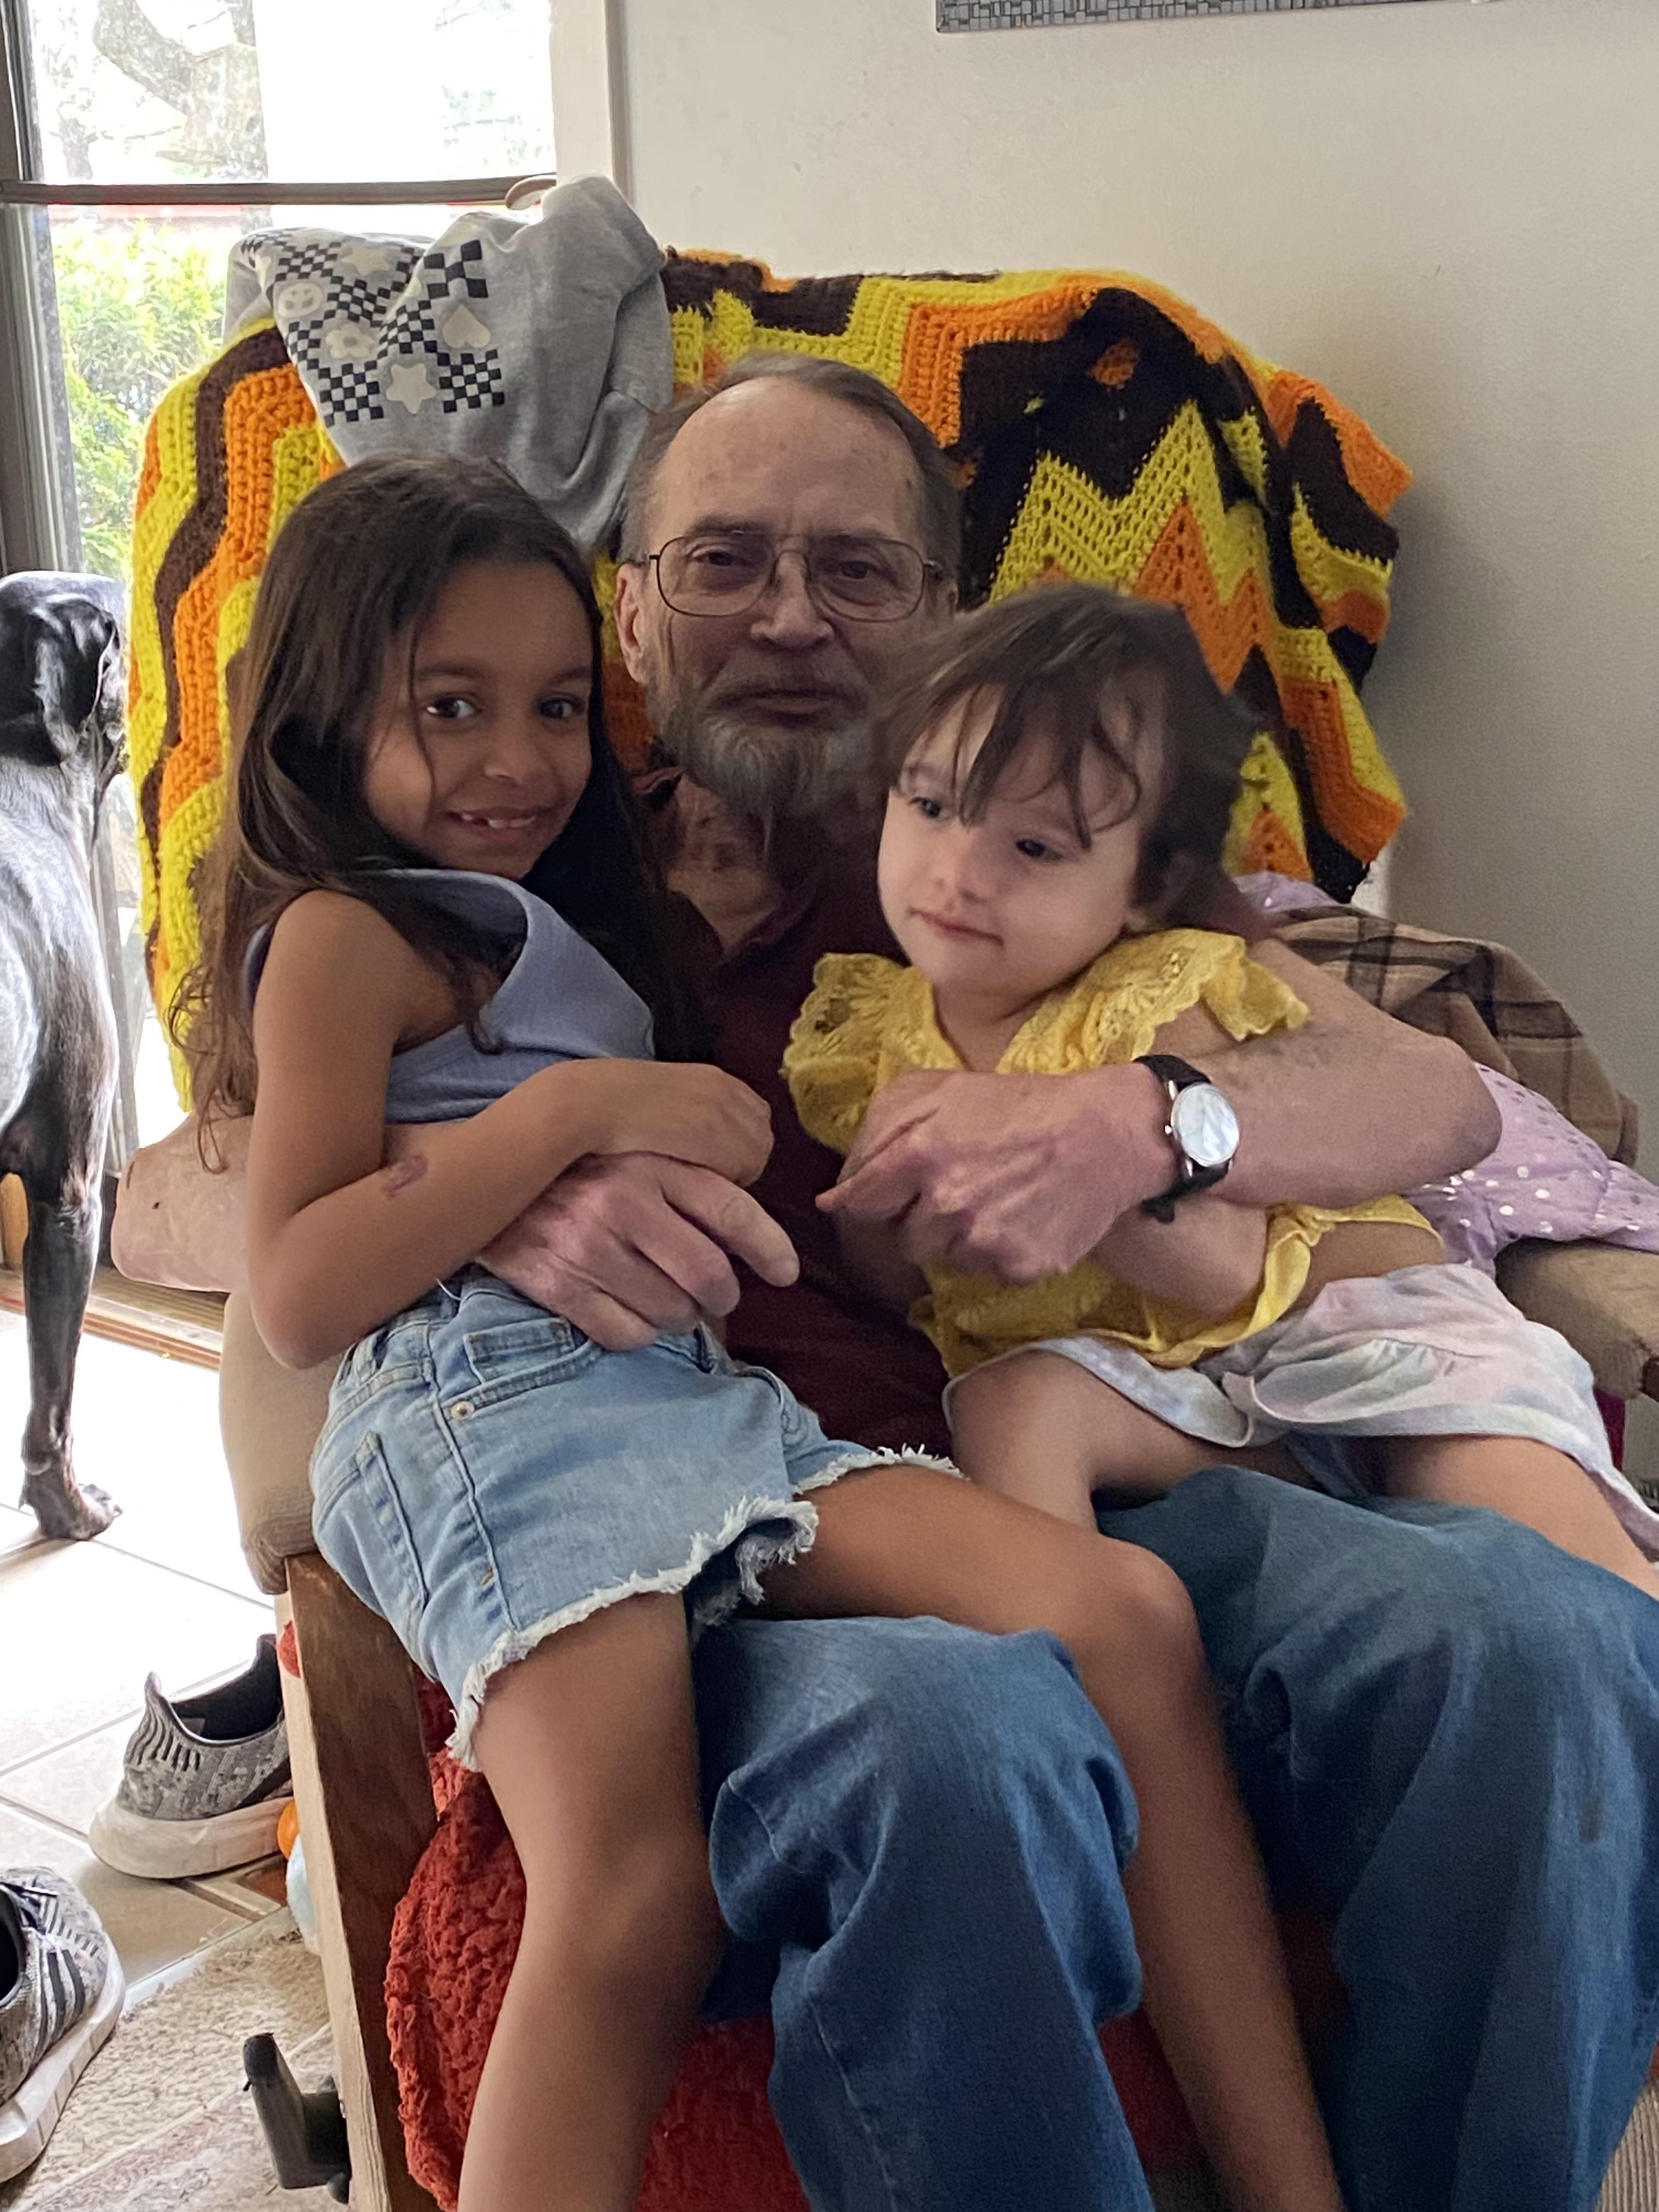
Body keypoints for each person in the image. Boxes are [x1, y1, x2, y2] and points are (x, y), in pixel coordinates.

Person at [134, 353, 1659, 2212]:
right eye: (723, 560)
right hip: (737, 1536)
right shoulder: (519, 867)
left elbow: (1424, 1091)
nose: (786, 614)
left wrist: (1146, 1117)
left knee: (1547, 1645)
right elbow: (179, 1193)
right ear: (632, 606)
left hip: (1112, 1456)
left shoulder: (1016, 830)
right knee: (950, 1740)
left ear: (937, 613)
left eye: (853, 570)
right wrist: (474, 1188)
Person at [784, 582, 1659, 1595]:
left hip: (1371, 1349)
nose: (959, 871)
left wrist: (1058, 1165)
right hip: (1181, 1395)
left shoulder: (1151, 995)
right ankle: (1085, 1655)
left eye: (1034, 846)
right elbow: (903, 1290)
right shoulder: (869, 1035)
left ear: (1145, 886)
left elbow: (1224, 1274)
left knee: (1569, 1580)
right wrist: (890, 1206)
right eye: (931, 806)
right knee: (1008, 1405)